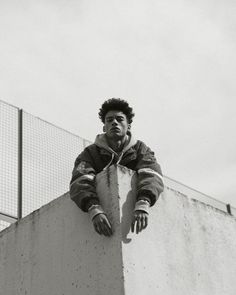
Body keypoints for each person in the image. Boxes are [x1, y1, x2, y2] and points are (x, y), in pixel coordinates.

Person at [70, 98, 164, 237]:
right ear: (104, 127)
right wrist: (94, 209)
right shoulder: (90, 153)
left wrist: (143, 203)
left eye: (119, 119)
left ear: (129, 126)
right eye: (109, 120)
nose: (114, 122)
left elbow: (151, 174)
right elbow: (80, 182)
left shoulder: (141, 149)